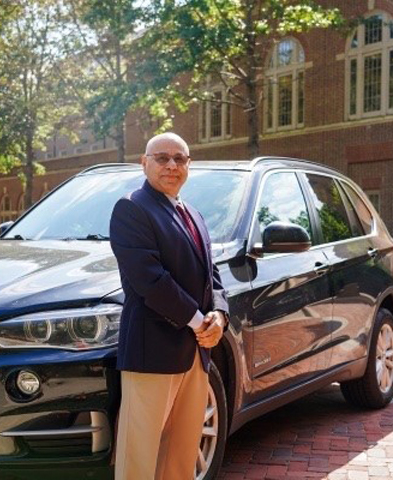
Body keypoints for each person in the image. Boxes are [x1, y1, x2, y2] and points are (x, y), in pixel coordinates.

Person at [109, 132, 229, 480]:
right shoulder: (132, 208)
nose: (172, 165)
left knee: (181, 454)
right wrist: (198, 322)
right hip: (153, 351)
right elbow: (150, 281)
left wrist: (219, 315)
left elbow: (212, 274)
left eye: (180, 158)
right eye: (162, 158)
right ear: (144, 163)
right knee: (140, 458)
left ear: (189, 165)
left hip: (196, 351)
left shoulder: (193, 214)